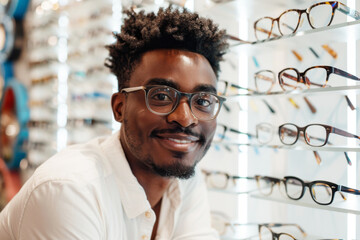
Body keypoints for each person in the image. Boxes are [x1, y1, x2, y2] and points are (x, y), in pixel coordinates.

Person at [0, 5, 229, 240]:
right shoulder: (69, 189)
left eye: (202, 100)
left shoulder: (183, 181)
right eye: (161, 96)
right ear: (120, 107)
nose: (185, 117)